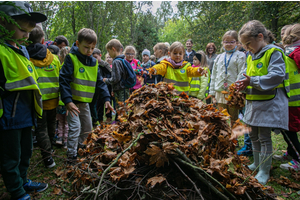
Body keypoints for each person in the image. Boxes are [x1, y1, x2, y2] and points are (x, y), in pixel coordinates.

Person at [0, 1, 48, 199]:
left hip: (26, 112)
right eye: (22, 30)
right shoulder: (2, 51)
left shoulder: (21, 50)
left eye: (29, 31)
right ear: (3, 23)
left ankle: (22, 179)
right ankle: (16, 190)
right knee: (11, 155)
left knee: (26, 151)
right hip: (9, 115)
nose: (27, 35)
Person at [236, 20, 289, 185]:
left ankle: (264, 171)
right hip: (252, 103)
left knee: (264, 137)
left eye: (248, 43)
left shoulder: (273, 52)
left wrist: (251, 81)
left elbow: (277, 75)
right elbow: (244, 73)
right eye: (244, 45)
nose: (246, 48)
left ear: (260, 37)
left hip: (268, 103)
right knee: (253, 134)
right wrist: (239, 84)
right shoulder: (251, 55)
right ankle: (257, 163)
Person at [59, 28, 113, 163]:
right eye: (86, 47)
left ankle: (81, 148)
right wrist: (67, 101)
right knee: (75, 127)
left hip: (84, 103)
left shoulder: (94, 63)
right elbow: (63, 80)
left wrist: (107, 99)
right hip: (72, 103)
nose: (89, 51)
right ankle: (71, 155)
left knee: (88, 127)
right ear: (77, 44)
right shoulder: (71, 58)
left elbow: (100, 83)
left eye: (92, 48)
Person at [26, 25, 61, 168]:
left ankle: (48, 158)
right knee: (52, 125)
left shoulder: (26, 58)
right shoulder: (54, 58)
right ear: (43, 40)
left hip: (38, 101)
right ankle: (51, 149)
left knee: (41, 129)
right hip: (53, 98)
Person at [273, 24, 300, 171]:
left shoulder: (296, 52)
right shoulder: (291, 51)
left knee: (290, 130)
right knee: (286, 128)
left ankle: (297, 158)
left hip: (294, 99)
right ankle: (290, 152)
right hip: (289, 98)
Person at [209, 30, 246, 126]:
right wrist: (212, 92)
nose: (228, 44)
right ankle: (223, 137)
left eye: (232, 42)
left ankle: (234, 138)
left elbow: (242, 72)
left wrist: (236, 88)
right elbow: (214, 75)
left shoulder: (241, 56)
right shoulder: (219, 57)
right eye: (226, 42)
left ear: (237, 43)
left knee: (234, 117)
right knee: (221, 117)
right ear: (222, 43)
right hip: (220, 91)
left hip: (233, 93)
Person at [104, 39, 129, 123]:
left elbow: (116, 78)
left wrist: (106, 80)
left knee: (121, 109)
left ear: (113, 49)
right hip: (124, 89)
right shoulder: (123, 60)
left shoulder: (116, 61)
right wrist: (113, 90)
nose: (109, 54)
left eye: (109, 51)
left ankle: (123, 126)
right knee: (124, 108)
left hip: (121, 90)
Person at [92, 48, 114, 125]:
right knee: (99, 104)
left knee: (107, 102)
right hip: (97, 87)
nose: (94, 59)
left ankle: (109, 117)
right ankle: (99, 119)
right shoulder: (92, 65)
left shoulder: (105, 65)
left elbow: (111, 74)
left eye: (95, 57)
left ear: (100, 56)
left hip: (107, 86)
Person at [56, 46, 71, 148]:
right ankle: (66, 140)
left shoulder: (59, 68)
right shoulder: (70, 70)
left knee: (61, 121)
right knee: (67, 122)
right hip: (68, 100)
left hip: (59, 100)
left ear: (60, 56)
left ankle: (60, 138)